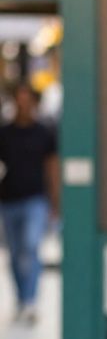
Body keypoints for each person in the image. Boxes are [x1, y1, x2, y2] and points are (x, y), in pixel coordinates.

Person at [0, 81, 59, 325]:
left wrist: (55, 203)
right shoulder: (4, 132)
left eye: (27, 100)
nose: (22, 105)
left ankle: (31, 301)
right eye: (18, 100)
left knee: (31, 246)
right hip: (8, 200)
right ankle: (21, 298)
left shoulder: (45, 132)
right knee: (14, 254)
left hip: (36, 198)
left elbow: (52, 167)